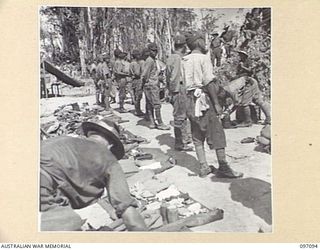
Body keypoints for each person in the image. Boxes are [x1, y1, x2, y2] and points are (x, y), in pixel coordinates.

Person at [40, 118, 147, 231]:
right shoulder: (108, 159)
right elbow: (127, 210)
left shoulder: (60, 140)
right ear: (110, 145)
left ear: (90, 134)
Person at [181, 31, 243, 178]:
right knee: (216, 132)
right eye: (203, 40)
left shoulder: (184, 59)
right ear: (198, 42)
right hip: (204, 99)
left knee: (196, 133)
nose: (205, 43)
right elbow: (208, 82)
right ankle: (223, 167)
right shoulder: (204, 58)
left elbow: (183, 82)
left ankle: (203, 166)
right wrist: (216, 103)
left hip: (190, 99)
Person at [166, 34, 193, 151]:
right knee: (180, 117)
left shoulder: (171, 57)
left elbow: (168, 76)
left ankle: (185, 139)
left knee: (182, 116)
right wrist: (176, 92)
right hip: (179, 89)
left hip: (175, 90)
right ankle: (179, 143)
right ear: (183, 47)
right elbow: (174, 77)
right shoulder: (177, 59)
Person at [141, 43, 170, 130]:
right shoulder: (149, 61)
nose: (155, 52)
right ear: (149, 51)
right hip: (151, 85)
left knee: (149, 104)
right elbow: (144, 74)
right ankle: (160, 123)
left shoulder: (152, 60)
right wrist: (149, 83)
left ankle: (152, 122)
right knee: (156, 104)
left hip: (151, 84)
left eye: (156, 50)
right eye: (153, 51)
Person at [130, 49, 144, 116]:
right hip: (137, 80)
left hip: (133, 80)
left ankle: (137, 109)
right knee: (138, 96)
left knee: (136, 95)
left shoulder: (131, 63)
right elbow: (137, 73)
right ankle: (138, 110)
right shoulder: (135, 64)